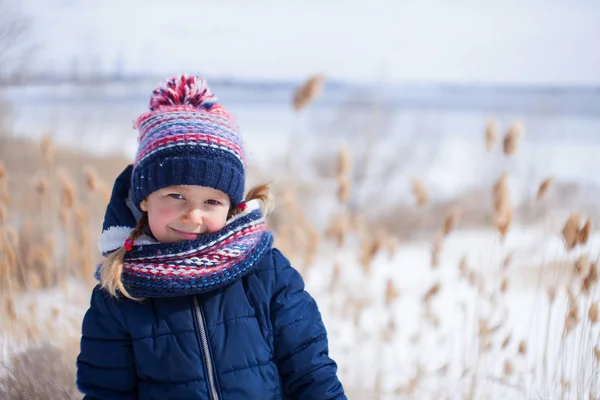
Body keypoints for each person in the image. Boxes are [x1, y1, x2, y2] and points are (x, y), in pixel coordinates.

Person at [76, 75, 346, 400]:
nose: (193, 215)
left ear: (231, 205)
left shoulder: (267, 273)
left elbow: (312, 376)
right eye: (176, 196)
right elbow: (107, 394)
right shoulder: (120, 292)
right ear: (144, 198)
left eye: (211, 202)